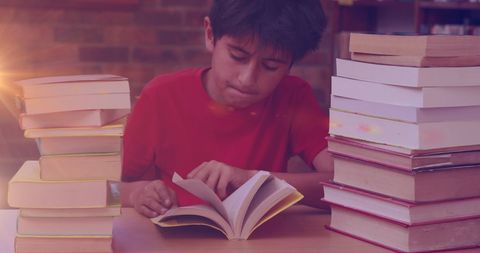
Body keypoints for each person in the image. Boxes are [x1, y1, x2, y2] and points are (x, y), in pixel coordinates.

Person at [120, 0, 333, 218]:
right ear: (210, 34)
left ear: (290, 64)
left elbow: (349, 186)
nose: (247, 79)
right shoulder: (161, 96)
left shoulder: (292, 96)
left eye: (271, 66)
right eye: (237, 56)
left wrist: (256, 180)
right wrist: (137, 194)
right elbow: (105, 188)